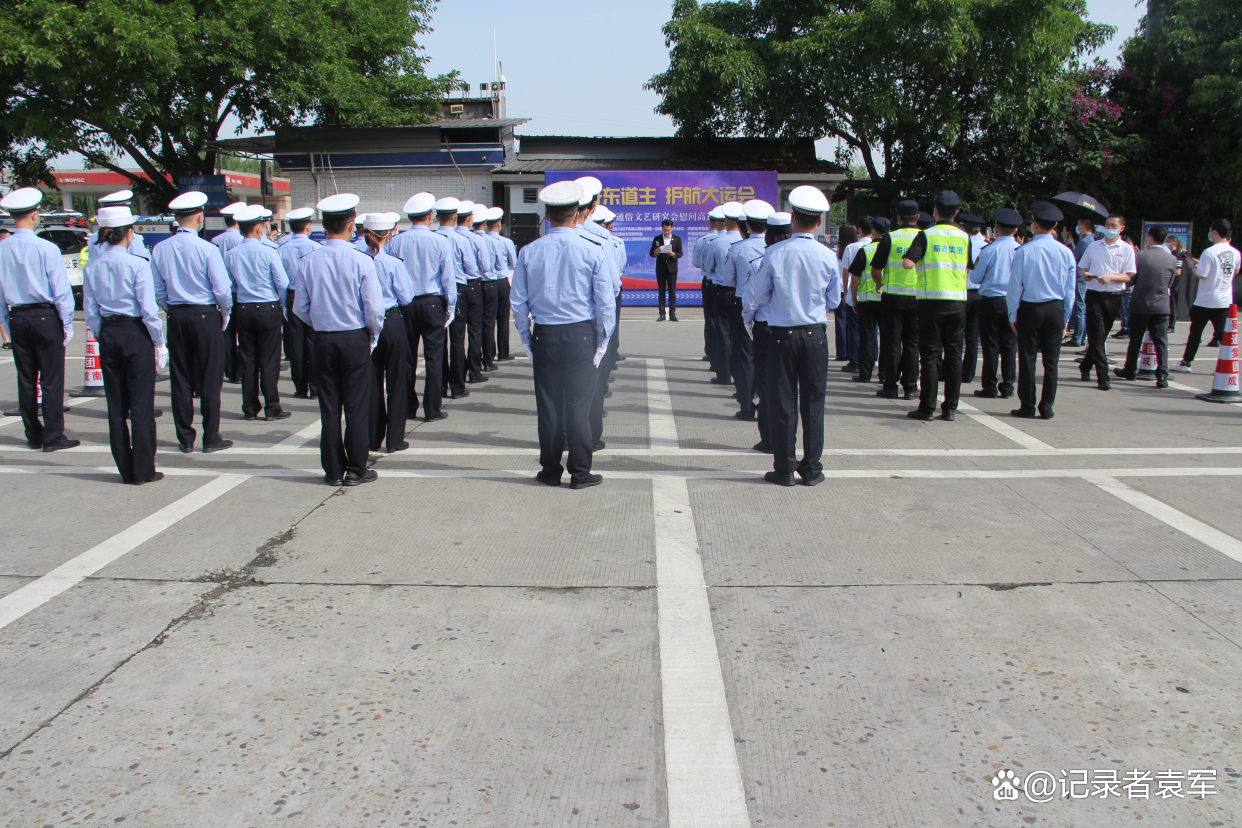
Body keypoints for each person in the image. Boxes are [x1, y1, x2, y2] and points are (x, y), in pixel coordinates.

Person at [511, 180, 615, 489]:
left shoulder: (529, 252)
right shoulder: (592, 250)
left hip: (544, 334)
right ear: (577, 214)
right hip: (581, 335)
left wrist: (526, 339)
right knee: (579, 407)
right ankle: (580, 473)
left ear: (547, 216)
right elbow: (604, 304)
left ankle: (550, 470)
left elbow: (518, 303)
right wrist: (602, 342)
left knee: (549, 407)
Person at [749, 186, 840, 485]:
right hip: (815, 335)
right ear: (818, 222)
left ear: (793, 218)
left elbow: (759, 295)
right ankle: (812, 468)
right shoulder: (828, 255)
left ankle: (784, 469)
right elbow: (836, 300)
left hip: (781, 336)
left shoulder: (775, 253)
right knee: (814, 403)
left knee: (783, 402)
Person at [292, 194, 385, 486]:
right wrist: (371, 335)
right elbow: (374, 309)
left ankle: (332, 471)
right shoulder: (361, 260)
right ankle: (357, 469)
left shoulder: (308, 261)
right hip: (354, 338)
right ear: (350, 225)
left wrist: (321, 323)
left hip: (323, 339)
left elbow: (299, 308)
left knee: (329, 407)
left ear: (323, 225)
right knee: (356, 406)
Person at [82, 205, 166, 483]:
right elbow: (148, 311)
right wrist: (159, 343)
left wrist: (102, 334)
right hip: (135, 332)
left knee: (116, 406)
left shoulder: (92, 266)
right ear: (129, 233)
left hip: (108, 332)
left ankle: (126, 469)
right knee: (141, 405)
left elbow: (91, 311)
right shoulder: (137, 264)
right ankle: (144, 469)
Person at [150, 190, 234, 453]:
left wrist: (170, 308)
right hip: (205, 315)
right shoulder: (207, 249)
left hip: (177, 315)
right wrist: (224, 312)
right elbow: (222, 289)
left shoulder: (160, 249)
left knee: (181, 377)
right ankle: (211, 437)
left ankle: (185, 438)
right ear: (199, 217)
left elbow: (158, 289)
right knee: (210, 377)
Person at [0, 187, 79, 451]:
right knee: (51, 378)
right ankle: (53, 435)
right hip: (45, 316)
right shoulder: (46, 247)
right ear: (35, 215)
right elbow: (60, 291)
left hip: (18, 315)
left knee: (26, 378)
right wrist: (66, 322)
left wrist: (6, 320)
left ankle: (33, 434)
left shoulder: (2, 249)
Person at [901, 191, 971, 420]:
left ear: (935, 211)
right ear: (957, 213)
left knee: (930, 356)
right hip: (957, 303)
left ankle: (927, 408)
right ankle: (950, 408)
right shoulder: (964, 237)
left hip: (931, 302)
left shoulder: (926, 235)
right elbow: (968, 268)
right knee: (954, 355)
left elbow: (908, 263)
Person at [1006, 202, 1077, 419]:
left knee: (1027, 358)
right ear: (1055, 225)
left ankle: (1027, 405)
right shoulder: (1066, 252)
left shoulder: (1024, 251)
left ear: (1034, 225)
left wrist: (1012, 315)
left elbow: (1015, 286)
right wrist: (1066, 317)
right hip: (1056, 308)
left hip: (1031, 308)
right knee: (1051, 361)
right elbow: (1070, 289)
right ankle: (1046, 407)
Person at [223, 204, 291, 421]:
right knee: (269, 360)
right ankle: (272, 407)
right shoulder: (269, 251)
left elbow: (230, 284)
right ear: (259, 229)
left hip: (244, 308)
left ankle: (250, 408)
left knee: (248, 358)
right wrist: (280, 304)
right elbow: (283, 282)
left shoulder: (231, 254)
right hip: (267, 307)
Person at [394, 192, 455, 422]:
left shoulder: (396, 241)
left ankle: (409, 407)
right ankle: (432, 409)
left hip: (406, 303)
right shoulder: (440, 241)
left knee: (407, 358)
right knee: (434, 357)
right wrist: (450, 307)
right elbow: (447, 278)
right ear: (430, 216)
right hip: (432, 303)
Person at [358, 212, 412, 452]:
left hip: (365, 323)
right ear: (388, 234)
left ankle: (372, 437)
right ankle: (395, 439)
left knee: (371, 382)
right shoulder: (393, 263)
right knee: (397, 381)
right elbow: (406, 296)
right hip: (391, 321)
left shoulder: (358, 260)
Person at [742, 211, 791, 454]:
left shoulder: (761, 261)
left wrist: (749, 323)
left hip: (766, 329)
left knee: (766, 386)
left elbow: (751, 301)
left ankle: (769, 440)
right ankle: (787, 443)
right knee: (790, 389)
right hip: (797, 330)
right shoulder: (810, 255)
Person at [720, 199, 772, 420]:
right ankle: (766, 403)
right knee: (769, 356)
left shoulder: (737, 249)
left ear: (747, 226)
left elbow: (727, 279)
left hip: (742, 302)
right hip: (771, 307)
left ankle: (746, 404)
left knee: (745, 355)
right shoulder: (775, 249)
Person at [1171, 219, 1239, 373]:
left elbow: (1201, 274)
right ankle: (1230, 364)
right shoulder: (1235, 252)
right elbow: (1234, 271)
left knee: (1195, 333)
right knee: (1224, 335)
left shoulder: (1209, 251)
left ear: (1214, 232)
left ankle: (1186, 362)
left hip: (1206, 300)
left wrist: (1193, 266)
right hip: (1225, 300)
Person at [1078, 214, 1136, 390]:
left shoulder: (1126, 249)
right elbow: (1083, 268)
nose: (1109, 228)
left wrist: (1110, 277)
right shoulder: (1094, 246)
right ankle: (1103, 376)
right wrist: (1086, 275)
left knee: (1101, 335)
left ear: (1121, 228)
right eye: (1107, 225)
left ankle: (1085, 365)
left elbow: (1128, 275)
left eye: (1113, 225)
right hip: (1094, 294)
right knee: (1096, 336)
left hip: (1114, 296)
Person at [1115, 225, 1178, 387]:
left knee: (1135, 340)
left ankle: (1130, 370)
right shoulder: (1172, 259)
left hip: (1140, 304)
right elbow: (1170, 283)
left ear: (1149, 238)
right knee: (1161, 341)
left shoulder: (1140, 257)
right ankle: (1162, 375)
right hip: (1162, 305)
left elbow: (1131, 280)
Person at [872, 200, 921, 400]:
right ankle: (910, 388)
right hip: (918, 298)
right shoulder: (923, 237)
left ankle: (890, 386)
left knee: (891, 343)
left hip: (892, 297)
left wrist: (879, 284)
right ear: (917, 217)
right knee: (912, 344)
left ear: (898, 218)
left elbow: (876, 269)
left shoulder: (889, 238)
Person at [972, 209, 1022, 399]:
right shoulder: (1021, 249)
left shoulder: (989, 250)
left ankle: (990, 387)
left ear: (996, 229)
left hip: (991, 301)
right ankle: (1008, 387)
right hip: (1013, 301)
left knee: (990, 345)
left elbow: (975, 277)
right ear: (1016, 230)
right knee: (1010, 346)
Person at [433, 197, 479, 399]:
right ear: (455, 217)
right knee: (457, 339)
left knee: (438, 342)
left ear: (436, 217)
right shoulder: (462, 240)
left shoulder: (433, 237)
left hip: (436, 294)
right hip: (458, 289)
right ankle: (457, 385)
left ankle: (439, 387)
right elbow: (472, 268)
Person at [278, 207, 321, 399]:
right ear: (308, 226)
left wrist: (283, 304)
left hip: (292, 295)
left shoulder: (280, 249)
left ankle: (300, 387)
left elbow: (279, 280)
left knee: (296, 346)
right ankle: (315, 387)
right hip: (313, 297)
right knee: (314, 343)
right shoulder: (316, 248)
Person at [706, 201, 746, 385]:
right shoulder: (746, 242)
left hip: (722, 290)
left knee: (723, 333)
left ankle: (724, 374)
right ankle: (742, 376)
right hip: (743, 293)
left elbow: (708, 267)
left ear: (725, 223)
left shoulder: (716, 242)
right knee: (743, 335)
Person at [455, 201, 490, 384]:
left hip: (455, 287)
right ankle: (474, 370)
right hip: (473, 284)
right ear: (470, 219)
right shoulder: (476, 239)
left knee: (457, 334)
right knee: (475, 330)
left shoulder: (449, 237)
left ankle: (457, 376)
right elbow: (485, 266)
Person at [845, 219, 881, 384]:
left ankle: (865, 373)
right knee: (888, 338)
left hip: (866, 299)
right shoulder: (892, 250)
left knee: (866, 336)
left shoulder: (865, 251)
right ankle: (885, 375)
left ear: (873, 231)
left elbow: (854, 278)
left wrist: (853, 298)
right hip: (887, 299)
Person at [215, 201, 246, 384]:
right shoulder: (242, 240)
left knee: (227, 333)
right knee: (243, 334)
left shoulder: (216, 240)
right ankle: (241, 372)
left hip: (223, 290)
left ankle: (231, 371)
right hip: (240, 292)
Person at [472, 204, 504, 372]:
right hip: (490, 283)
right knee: (488, 323)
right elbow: (498, 265)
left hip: (473, 284)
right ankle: (488, 359)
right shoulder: (492, 241)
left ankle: (474, 362)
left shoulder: (467, 238)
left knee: (474, 326)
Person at [486, 207, 517, 359]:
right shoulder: (506, 242)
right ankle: (503, 352)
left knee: (488, 320)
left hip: (486, 282)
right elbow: (513, 262)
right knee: (503, 319)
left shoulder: (481, 240)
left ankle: (489, 353)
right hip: (502, 282)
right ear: (499, 225)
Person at [959, 213, 986, 383]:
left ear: (963, 227)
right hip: (978, 293)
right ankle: (968, 373)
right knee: (972, 337)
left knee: (954, 335)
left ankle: (947, 369)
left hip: (960, 292)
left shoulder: (960, 243)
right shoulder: (987, 246)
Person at [696, 207, 726, 362]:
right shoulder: (740, 240)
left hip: (712, 283)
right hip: (738, 289)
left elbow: (701, 265)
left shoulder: (706, 241)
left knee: (712, 320)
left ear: (711, 223)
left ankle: (712, 353)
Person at [1066, 217, 1096, 346]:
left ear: (1083, 227)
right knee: (1081, 308)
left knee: (1079, 308)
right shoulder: (1090, 240)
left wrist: (1069, 245)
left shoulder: (1085, 241)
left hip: (1079, 278)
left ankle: (1077, 337)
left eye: (1079, 226)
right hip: (1083, 277)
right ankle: (1081, 337)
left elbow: (1072, 257)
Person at [834, 223, 860, 365]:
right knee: (853, 324)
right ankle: (852, 351)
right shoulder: (857, 248)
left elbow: (843, 272)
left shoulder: (838, 252)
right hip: (852, 289)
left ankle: (842, 352)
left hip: (841, 289)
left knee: (840, 321)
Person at [650, 219, 683, 320]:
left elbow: (680, 253)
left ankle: (672, 314)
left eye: (668, 230)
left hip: (672, 269)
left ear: (672, 228)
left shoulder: (677, 239)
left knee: (672, 293)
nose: (667, 232)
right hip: (661, 269)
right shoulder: (657, 239)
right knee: (661, 292)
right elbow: (651, 253)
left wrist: (674, 255)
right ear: (662, 229)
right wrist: (656, 252)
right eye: (665, 230)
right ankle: (662, 314)